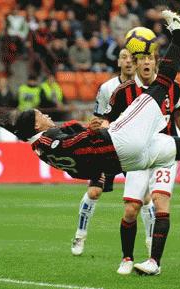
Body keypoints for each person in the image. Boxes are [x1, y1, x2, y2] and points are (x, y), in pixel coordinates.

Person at [0, 11, 180, 276]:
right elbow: (72, 143)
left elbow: (74, 160)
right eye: (40, 116)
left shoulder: (41, 147)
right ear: (34, 126)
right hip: (120, 141)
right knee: (161, 87)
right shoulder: (48, 141)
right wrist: (95, 134)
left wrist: (90, 146)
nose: (46, 115)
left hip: (126, 158)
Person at [98, 43, 180, 275]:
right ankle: (127, 257)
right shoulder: (123, 92)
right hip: (137, 156)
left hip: (165, 153)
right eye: (143, 59)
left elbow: (178, 113)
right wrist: (102, 132)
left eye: (151, 58)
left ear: (157, 62)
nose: (147, 62)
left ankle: (154, 262)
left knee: (161, 203)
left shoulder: (172, 87)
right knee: (131, 209)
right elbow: (107, 120)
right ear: (136, 64)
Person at [70, 48, 156, 258]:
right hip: (108, 148)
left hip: (133, 150)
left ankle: (151, 242)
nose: (128, 62)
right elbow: (97, 118)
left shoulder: (145, 88)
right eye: (123, 58)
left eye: (131, 58)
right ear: (118, 62)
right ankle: (80, 235)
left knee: (144, 198)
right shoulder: (107, 88)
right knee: (94, 192)